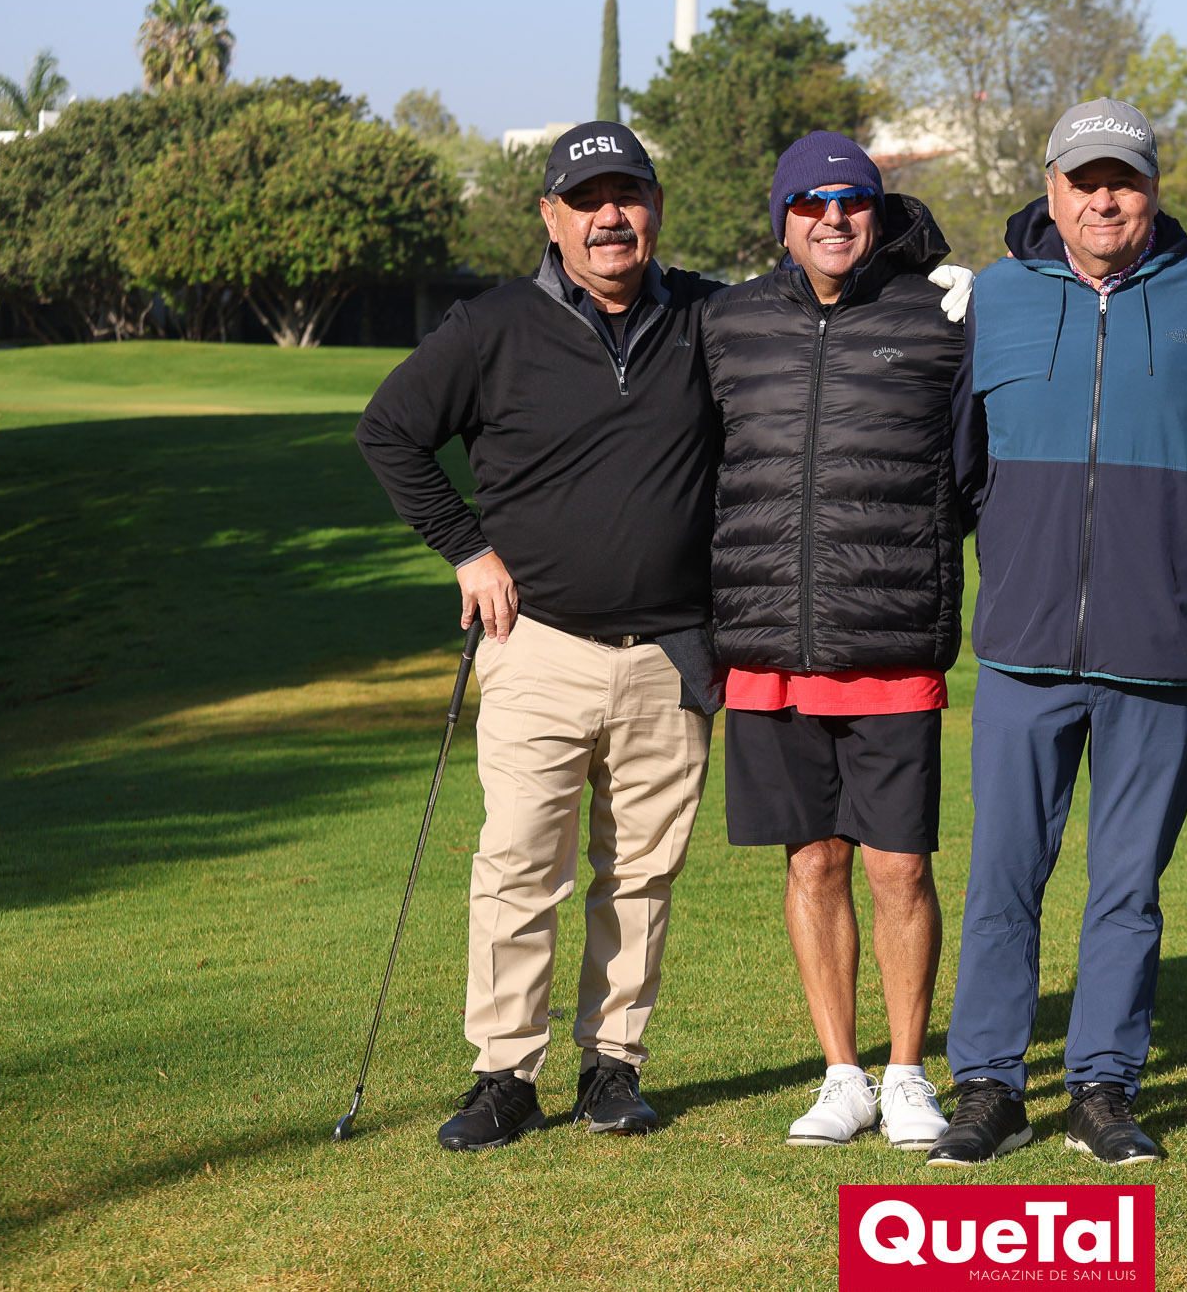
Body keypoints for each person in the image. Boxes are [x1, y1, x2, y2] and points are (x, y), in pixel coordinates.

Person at [356, 121, 724, 1152]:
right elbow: (389, 431)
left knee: (642, 873)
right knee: (519, 865)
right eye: (587, 201)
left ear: (656, 207)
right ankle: (504, 1075)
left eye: (628, 196)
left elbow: (820, 291)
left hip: (671, 652)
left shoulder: (709, 316)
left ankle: (613, 1067)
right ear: (551, 218)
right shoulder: (492, 326)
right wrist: (467, 550)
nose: (611, 218)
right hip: (539, 644)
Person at [929, 99, 1187, 1168]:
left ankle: (1102, 1088)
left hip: (1162, 649)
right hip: (1023, 648)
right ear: (1051, 188)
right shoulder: (998, 297)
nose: (1103, 199)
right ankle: (988, 1084)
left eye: (1123, 179)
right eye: (1084, 180)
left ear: (1153, 189)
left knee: (1127, 889)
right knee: (1002, 877)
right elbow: (958, 468)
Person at [698, 131, 969, 1151]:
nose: (832, 218)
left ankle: (906, 1073)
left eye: (851, 200)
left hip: (891, 642)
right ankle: (842, 1074)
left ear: (877, 211)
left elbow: (975, 470)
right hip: (768, 646)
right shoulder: (727, 322)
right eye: (809, 204)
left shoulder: (939, 318)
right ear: (782, 218)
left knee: (898, 869)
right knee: (812, 862)